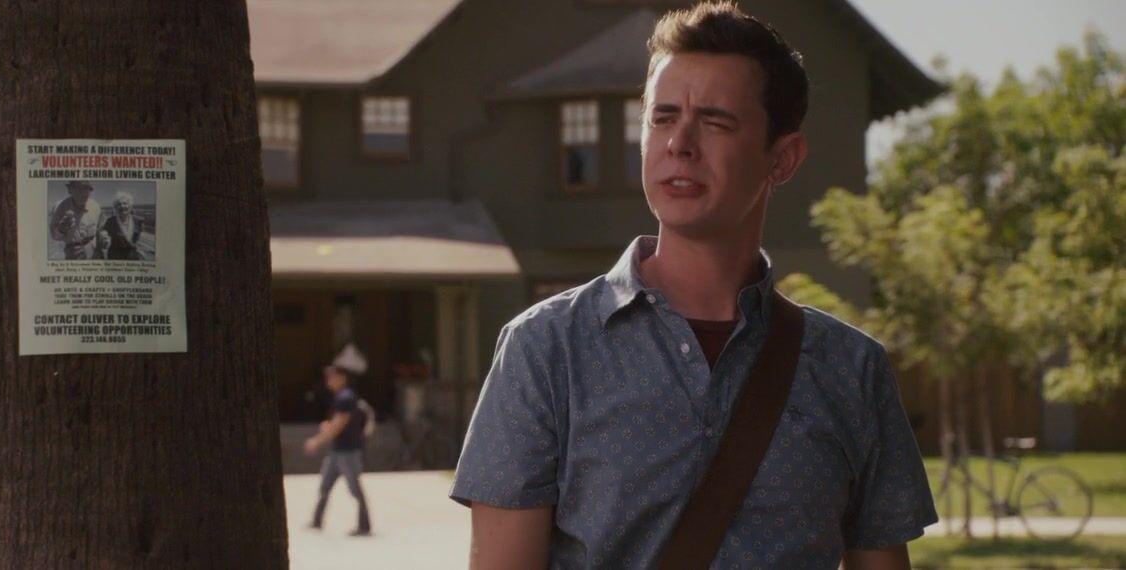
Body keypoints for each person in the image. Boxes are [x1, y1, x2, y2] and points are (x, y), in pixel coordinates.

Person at [449, 3, 936, 569]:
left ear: (782, 158)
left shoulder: (850, 370)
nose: (679, 143)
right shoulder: (545, 350)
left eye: (715, 121)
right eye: (662, 118)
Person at [303, 344, 373, 537]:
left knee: (355, 488)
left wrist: (316, 441)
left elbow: (339, 424)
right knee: (325, 485)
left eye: (332, 376)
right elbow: (337, 422)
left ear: (342, 378)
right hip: (337, 451)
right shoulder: (340, 397)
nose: (328, 379)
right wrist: (328, 427)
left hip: (348, 452)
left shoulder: (345, 397)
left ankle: (364, 525)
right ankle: (317, 520)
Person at [48, 180, 103, 260]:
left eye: (85, 189)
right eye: (78, 189)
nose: (82, 193)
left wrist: (102, 238)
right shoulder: (60, 207)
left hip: (94, 250)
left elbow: (100, 228)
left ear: (90, 191)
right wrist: (61, 229)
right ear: (70, 190)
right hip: (73, 251)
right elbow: (54, 236)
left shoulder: (95, 206)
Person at [97, 192, 146, 260]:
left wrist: (140, 250)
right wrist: (104, 240)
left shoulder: (138, 221)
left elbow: (140, 240)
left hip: (133, 258)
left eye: (125, 203)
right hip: (115, 258)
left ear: (130, 205)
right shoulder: (110, 221)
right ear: (115, 207)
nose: (122, 206)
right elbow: (104, 242)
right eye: (119, 204)